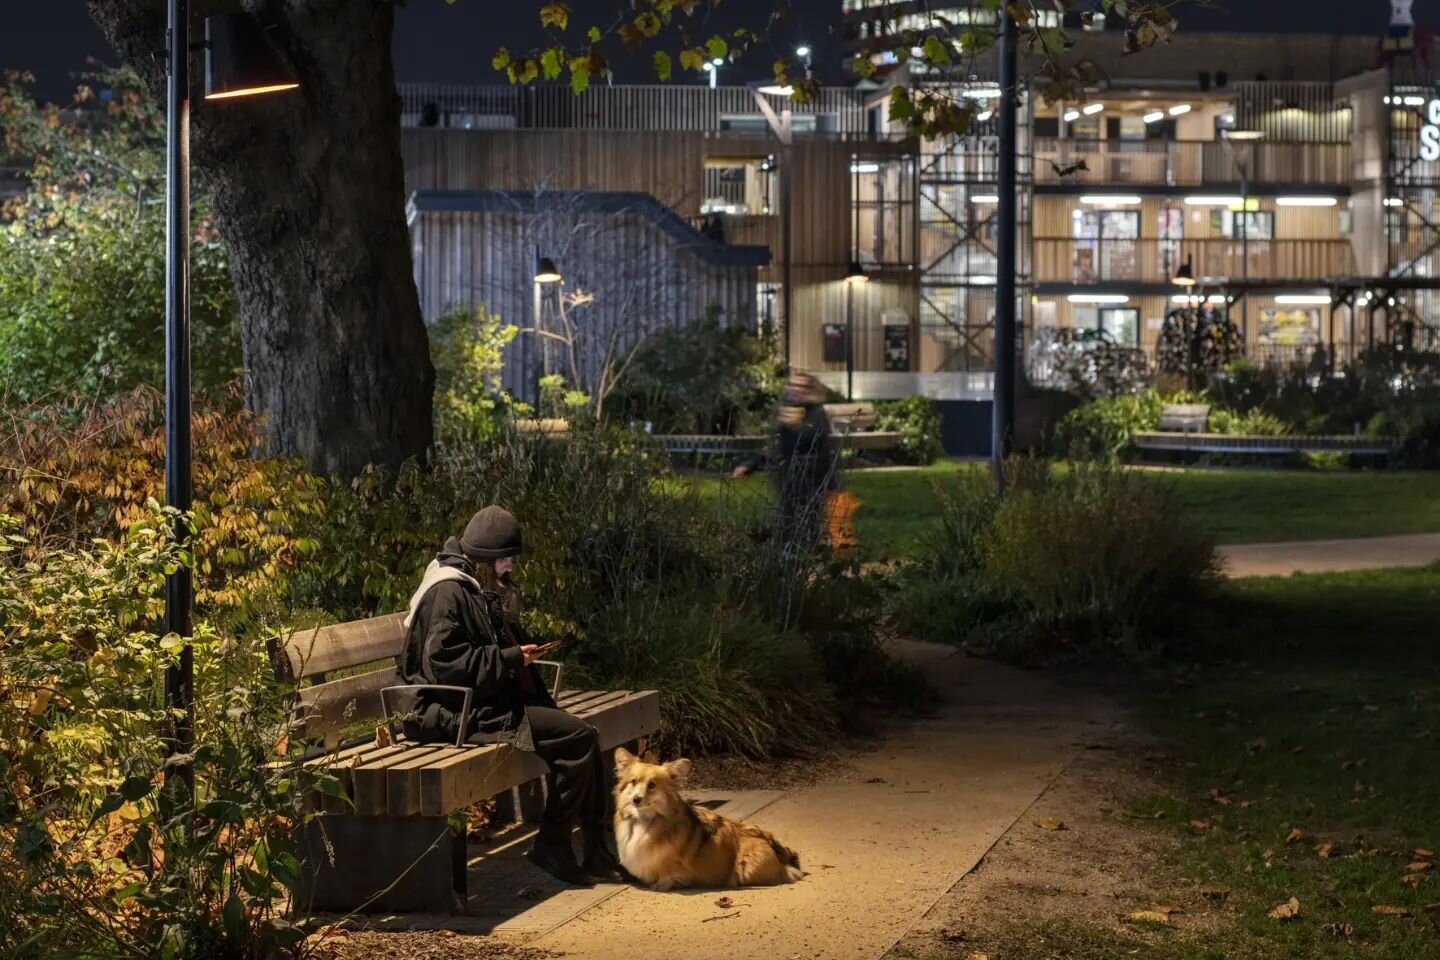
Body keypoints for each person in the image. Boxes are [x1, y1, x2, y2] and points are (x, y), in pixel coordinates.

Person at [396, 506, 623, 886]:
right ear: (484, 558)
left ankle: (597, 850)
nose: (509, 568)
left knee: (586, 734)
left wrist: (520, 655)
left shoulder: (471, 585)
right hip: (447, 712)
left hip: (478, 703)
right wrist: (511, 658)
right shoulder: (448, 591)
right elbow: (445, 666)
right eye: (504, 560)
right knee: (579, 738)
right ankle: (553, 844)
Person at [732, 372, 839, 552]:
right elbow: (776, 445)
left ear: (811, 390)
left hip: (812, 482)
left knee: (809, 526)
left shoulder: (816, 413)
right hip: (790, 481)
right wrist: (750, 465)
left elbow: (809, 440)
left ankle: (808, 565)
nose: (796, 390)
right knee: (787, 524)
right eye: (793, 385)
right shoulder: (788, 411)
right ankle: (788, 564)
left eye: (802, 386)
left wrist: (794, 424)